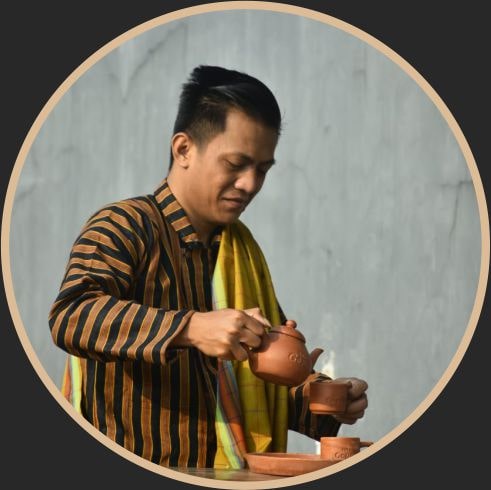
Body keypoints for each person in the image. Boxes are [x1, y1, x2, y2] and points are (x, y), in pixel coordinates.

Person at [49, 65, 368, 469]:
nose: (250, 184)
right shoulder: (124, 225)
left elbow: (264, 382)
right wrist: (191, 328)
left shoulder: (239, 254)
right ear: (183, 149)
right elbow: (72, 315)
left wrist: (328, 400)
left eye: (262, 169)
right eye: (236, 163)